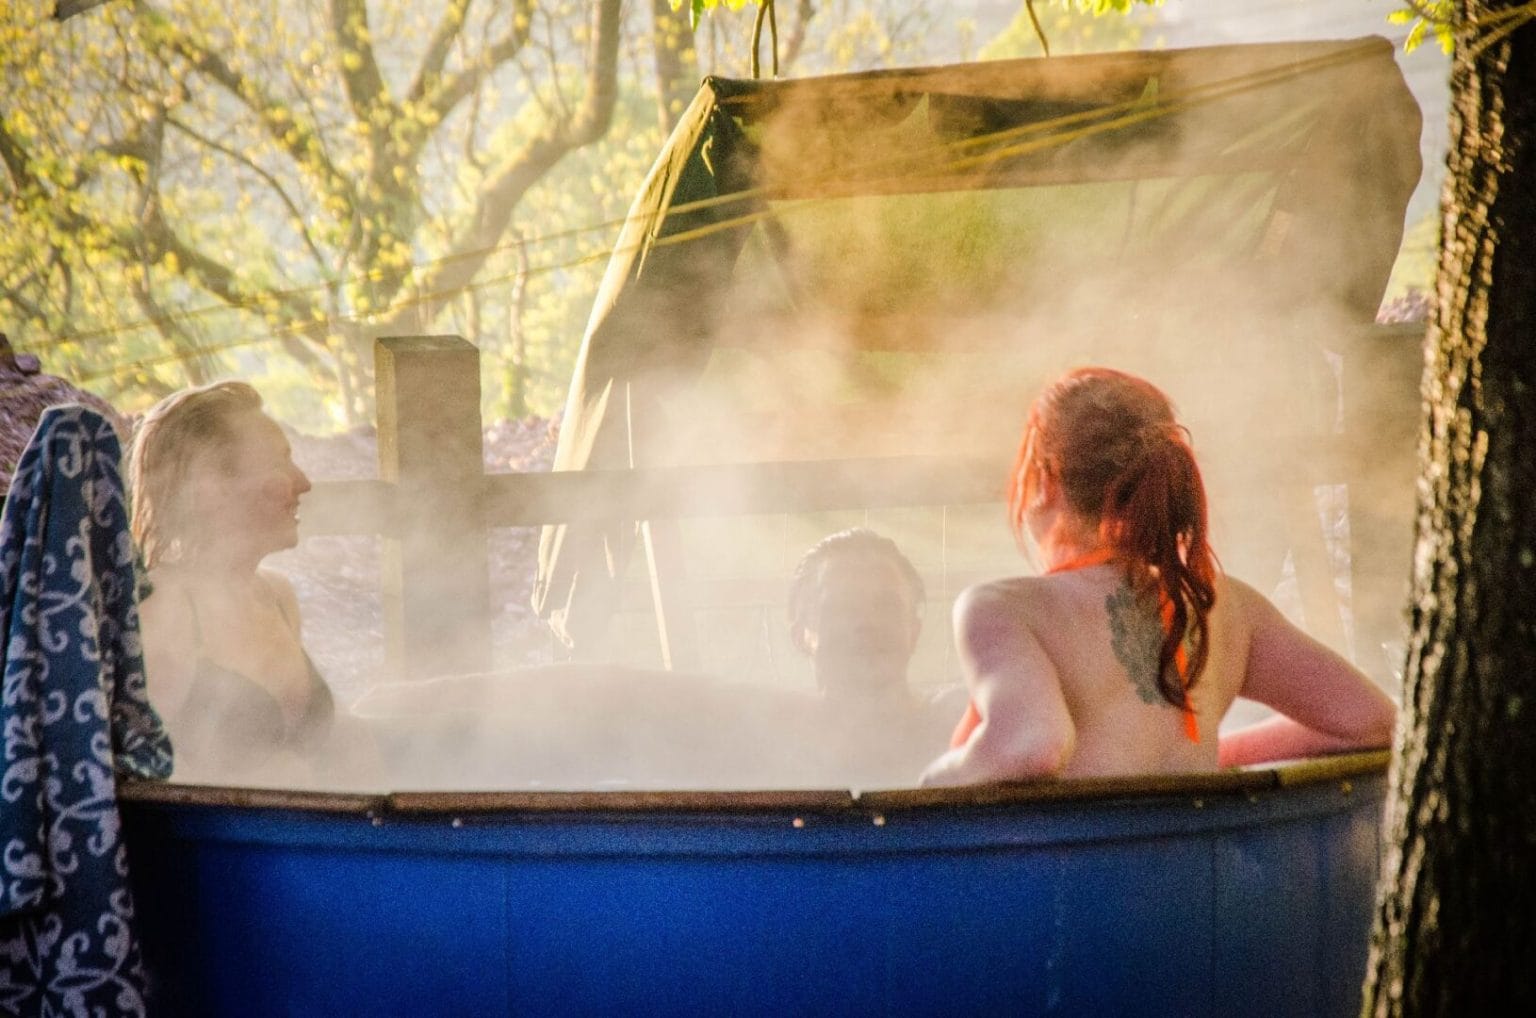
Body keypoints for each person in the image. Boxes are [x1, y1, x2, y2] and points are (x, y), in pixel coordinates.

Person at [919, 367, 1396, 787]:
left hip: (1071, 883)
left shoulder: (1004, 608)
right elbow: (1375, 721)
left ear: (1045, 480)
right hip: (1195, 879)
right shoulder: (1227, 607)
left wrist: (928, 787)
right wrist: (1214, 760)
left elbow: (1031, 746)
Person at [129, 381, 367, 785]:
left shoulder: (276, 597)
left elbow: (340, 745)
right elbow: (143, 782)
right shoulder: (163, 611)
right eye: (280, 463)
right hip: (225, 843)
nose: (303, 482)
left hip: (318, 838)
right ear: (209, 486)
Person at [788, 527, 963, 786]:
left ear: (913, 631)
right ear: (801, 635)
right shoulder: (779, 740)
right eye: (843, 606)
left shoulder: (957, 724)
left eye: (886, 606)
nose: (866, 623)